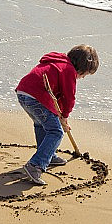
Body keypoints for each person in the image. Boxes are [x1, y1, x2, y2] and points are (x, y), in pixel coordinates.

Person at [15, 45, 99, 185]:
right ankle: (36, 165)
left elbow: (56, 96)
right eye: (84, 74)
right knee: (56, 132)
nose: (83, 77)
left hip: (23, 94)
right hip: (36, 97)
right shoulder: (68, 70)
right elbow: (68, 97)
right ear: (81, 68)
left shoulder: (57, 62)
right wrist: (65, 116)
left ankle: (48, 155)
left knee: (41, 125)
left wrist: (61, 117)